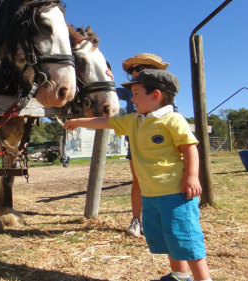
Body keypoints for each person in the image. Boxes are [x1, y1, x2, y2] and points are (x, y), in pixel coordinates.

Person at [64, 69, 212, 281]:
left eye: (136, 93)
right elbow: (104, 123)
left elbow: (190, 148)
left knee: (186, 240)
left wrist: (191, 176)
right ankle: (179, 276)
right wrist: (78, 121)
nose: (131, 98)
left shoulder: (172, 120)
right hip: (151, 195)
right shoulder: (134, 120)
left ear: (156, 95)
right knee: (169, 238)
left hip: (176, 194)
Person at [116, 53, 169, 237]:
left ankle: (160, 219)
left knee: (163, 179)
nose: (135, 72)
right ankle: (137, 220)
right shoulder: (129, 91)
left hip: (161, 141)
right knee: (138, 180)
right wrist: (106, 79)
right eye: (133, 69)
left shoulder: (163, 92)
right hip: (137, 140)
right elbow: (111, 93)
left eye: (140, 68)